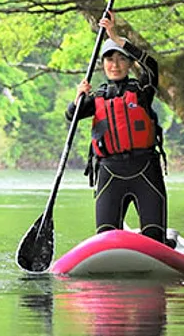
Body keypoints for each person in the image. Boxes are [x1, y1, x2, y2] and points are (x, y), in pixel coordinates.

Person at [66, 13, 173, 245]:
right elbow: (70, 116)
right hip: (110, 173)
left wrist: (116, 37)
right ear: (103, 64)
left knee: (154, 235)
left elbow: (151, 65)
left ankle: (162, 246)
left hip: (145, 169)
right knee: (105, 237)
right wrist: (77, 98)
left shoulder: (142, 90)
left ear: (129, 63)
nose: (115, 65)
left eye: (121, 59)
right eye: (109, 60)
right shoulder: (96, 98)